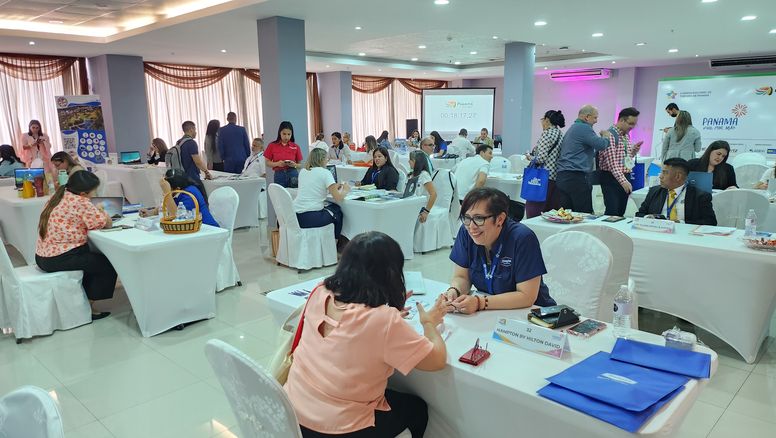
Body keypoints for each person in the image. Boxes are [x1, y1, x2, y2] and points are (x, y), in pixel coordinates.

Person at [284, 231, 448, 438]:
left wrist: (389, 314)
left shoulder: (320, 291)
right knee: (416, 409)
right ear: (391, 273)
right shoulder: (383, 320)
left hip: (293, 408)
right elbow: (437, 361)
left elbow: (351, 330)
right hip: (339, 426)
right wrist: (429, 324)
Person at [442, 188, 556, 313]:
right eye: (467, 218)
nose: (472, 227)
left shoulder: (522, 238)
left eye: (479, 219)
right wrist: (454, 291)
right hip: (490, 312)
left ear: (500, 219)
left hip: (532, 315)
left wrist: (480, 303)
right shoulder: (466, 232)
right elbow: (462, 277)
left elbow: (527, 296)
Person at [35, 170, 117, 320]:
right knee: (107, 263)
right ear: (85, 192)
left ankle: (85, 300)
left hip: (43, 256)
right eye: (94, 190)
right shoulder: (81, 202)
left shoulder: (58, 196)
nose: (95, 193)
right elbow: (106, 223)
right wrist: (101, 211)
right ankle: (87, 306)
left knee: (92, 260)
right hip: (59, 258)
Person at [555, 104, 612, 213]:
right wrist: (606, 136)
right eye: (595, 117)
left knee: (567, 214)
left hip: (563, 176)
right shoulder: (584, 128)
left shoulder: (573, 128)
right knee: (583, 214)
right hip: (576, 177)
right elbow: (601, 145)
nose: (596, 121)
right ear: (587, 117)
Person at [636, 158, 717, 225]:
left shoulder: (700, 196)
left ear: (678, 176)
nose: (660, 176)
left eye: (665, 173)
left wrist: (681, 223)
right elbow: (639, 214)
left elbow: (710, 222)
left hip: (685, 237)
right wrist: (648, 218)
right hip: (657, 233)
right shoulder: (654, 191)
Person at [293, 148, 349, 240]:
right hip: (310, 217)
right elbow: (338, 198)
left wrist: (333, 186)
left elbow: (314, 187)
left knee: (332, 207)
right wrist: (345, 190)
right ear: (322, 159)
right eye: (327, 158)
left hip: (296, 215)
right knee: (338, 212)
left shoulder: (303, 171)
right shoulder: (325, 173)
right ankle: (336, 242)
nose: (327, 160)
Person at [598, 107, 643, 216]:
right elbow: (612, 163)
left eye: (634, 124)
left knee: (621, 212)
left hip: (623, 175)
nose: (632, 127)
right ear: (622, 120)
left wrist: (633, 151)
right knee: (612, 211)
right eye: (630, 123)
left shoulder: (625, 135)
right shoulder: (610, 135)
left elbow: (623, 160)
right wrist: (624, 181)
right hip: (611, 178)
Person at [524, 110, 565, 218]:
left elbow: (541, 158)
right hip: (555, 176)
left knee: (534, 210)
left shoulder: (547, 134)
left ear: (547, 120)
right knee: (550, 212)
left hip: (541, 177)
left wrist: (530, 157)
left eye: (542, 119)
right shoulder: (560, 134)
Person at [144, 169, 219, 227]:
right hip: (193, 229)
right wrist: (151, 212)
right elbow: (166, 208)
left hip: (208, 231)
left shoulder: (189, 194)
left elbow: (177, 218)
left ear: (177, 188)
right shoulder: (178, 192)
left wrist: (167, 193)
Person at [172, 121, 211, 196]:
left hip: (182, 176)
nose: (196, 132)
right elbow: (197, 161)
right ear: (191, 129)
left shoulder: (179, 142)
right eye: (195, 130)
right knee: (202, 197)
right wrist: (206, 172)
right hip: (192, 177)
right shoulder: (191, 143)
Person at [264, 121, 303, 188]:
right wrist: (277, 164)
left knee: (294, 196)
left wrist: (294, 165)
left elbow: (300, 165)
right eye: (284, 134)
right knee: (279, 196)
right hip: (279, 175)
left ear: (292, 134)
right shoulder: (272, 145)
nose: (286, 137)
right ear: (280, 133)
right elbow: (267, 163)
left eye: (289, 134)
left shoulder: (296, 146)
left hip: (293, 174)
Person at [408, 150, 437, 224]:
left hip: (420, 207)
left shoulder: (424, 175)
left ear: (416, 162)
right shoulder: (411, 174)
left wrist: (426, 211)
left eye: (411, 160)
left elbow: (433, 194)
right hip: (412, 204)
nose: (408, 162)